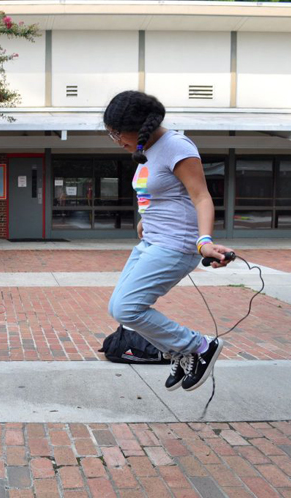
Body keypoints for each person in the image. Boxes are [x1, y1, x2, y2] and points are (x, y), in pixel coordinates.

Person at [104, 90, 234, 392]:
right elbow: (158, 193)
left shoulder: (176, 146)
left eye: (117, 134)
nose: (117, 141)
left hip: (177, 242)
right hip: (152, 239)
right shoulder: (149, 150)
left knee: (127, 308)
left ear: (140, 126)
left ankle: (199, 347)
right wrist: (144, 218)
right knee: (117, 308)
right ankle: (178, 351)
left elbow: (201, 196)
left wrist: (204, 241)